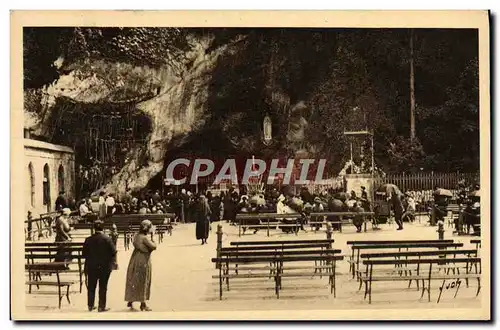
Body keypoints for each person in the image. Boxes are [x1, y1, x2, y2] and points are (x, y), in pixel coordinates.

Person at [82, 220, 117, 312]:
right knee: (103, 286)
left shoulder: (88, 239)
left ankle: (90, 305)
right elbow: (113, 252)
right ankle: (101, 306)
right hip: (104, 266)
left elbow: (84, 254)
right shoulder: (107, 239)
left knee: (91, 286)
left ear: (94, 228)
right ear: (103, 228)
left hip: (91, 266)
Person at [125, 220, 157, 311]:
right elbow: (153, 246)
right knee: (143, 279)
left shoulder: (136, 236)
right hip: (143, 259)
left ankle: (131, 299)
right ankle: (143, 303)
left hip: (135, 258)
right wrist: (153, 237)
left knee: (134, 279)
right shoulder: (145, 238)